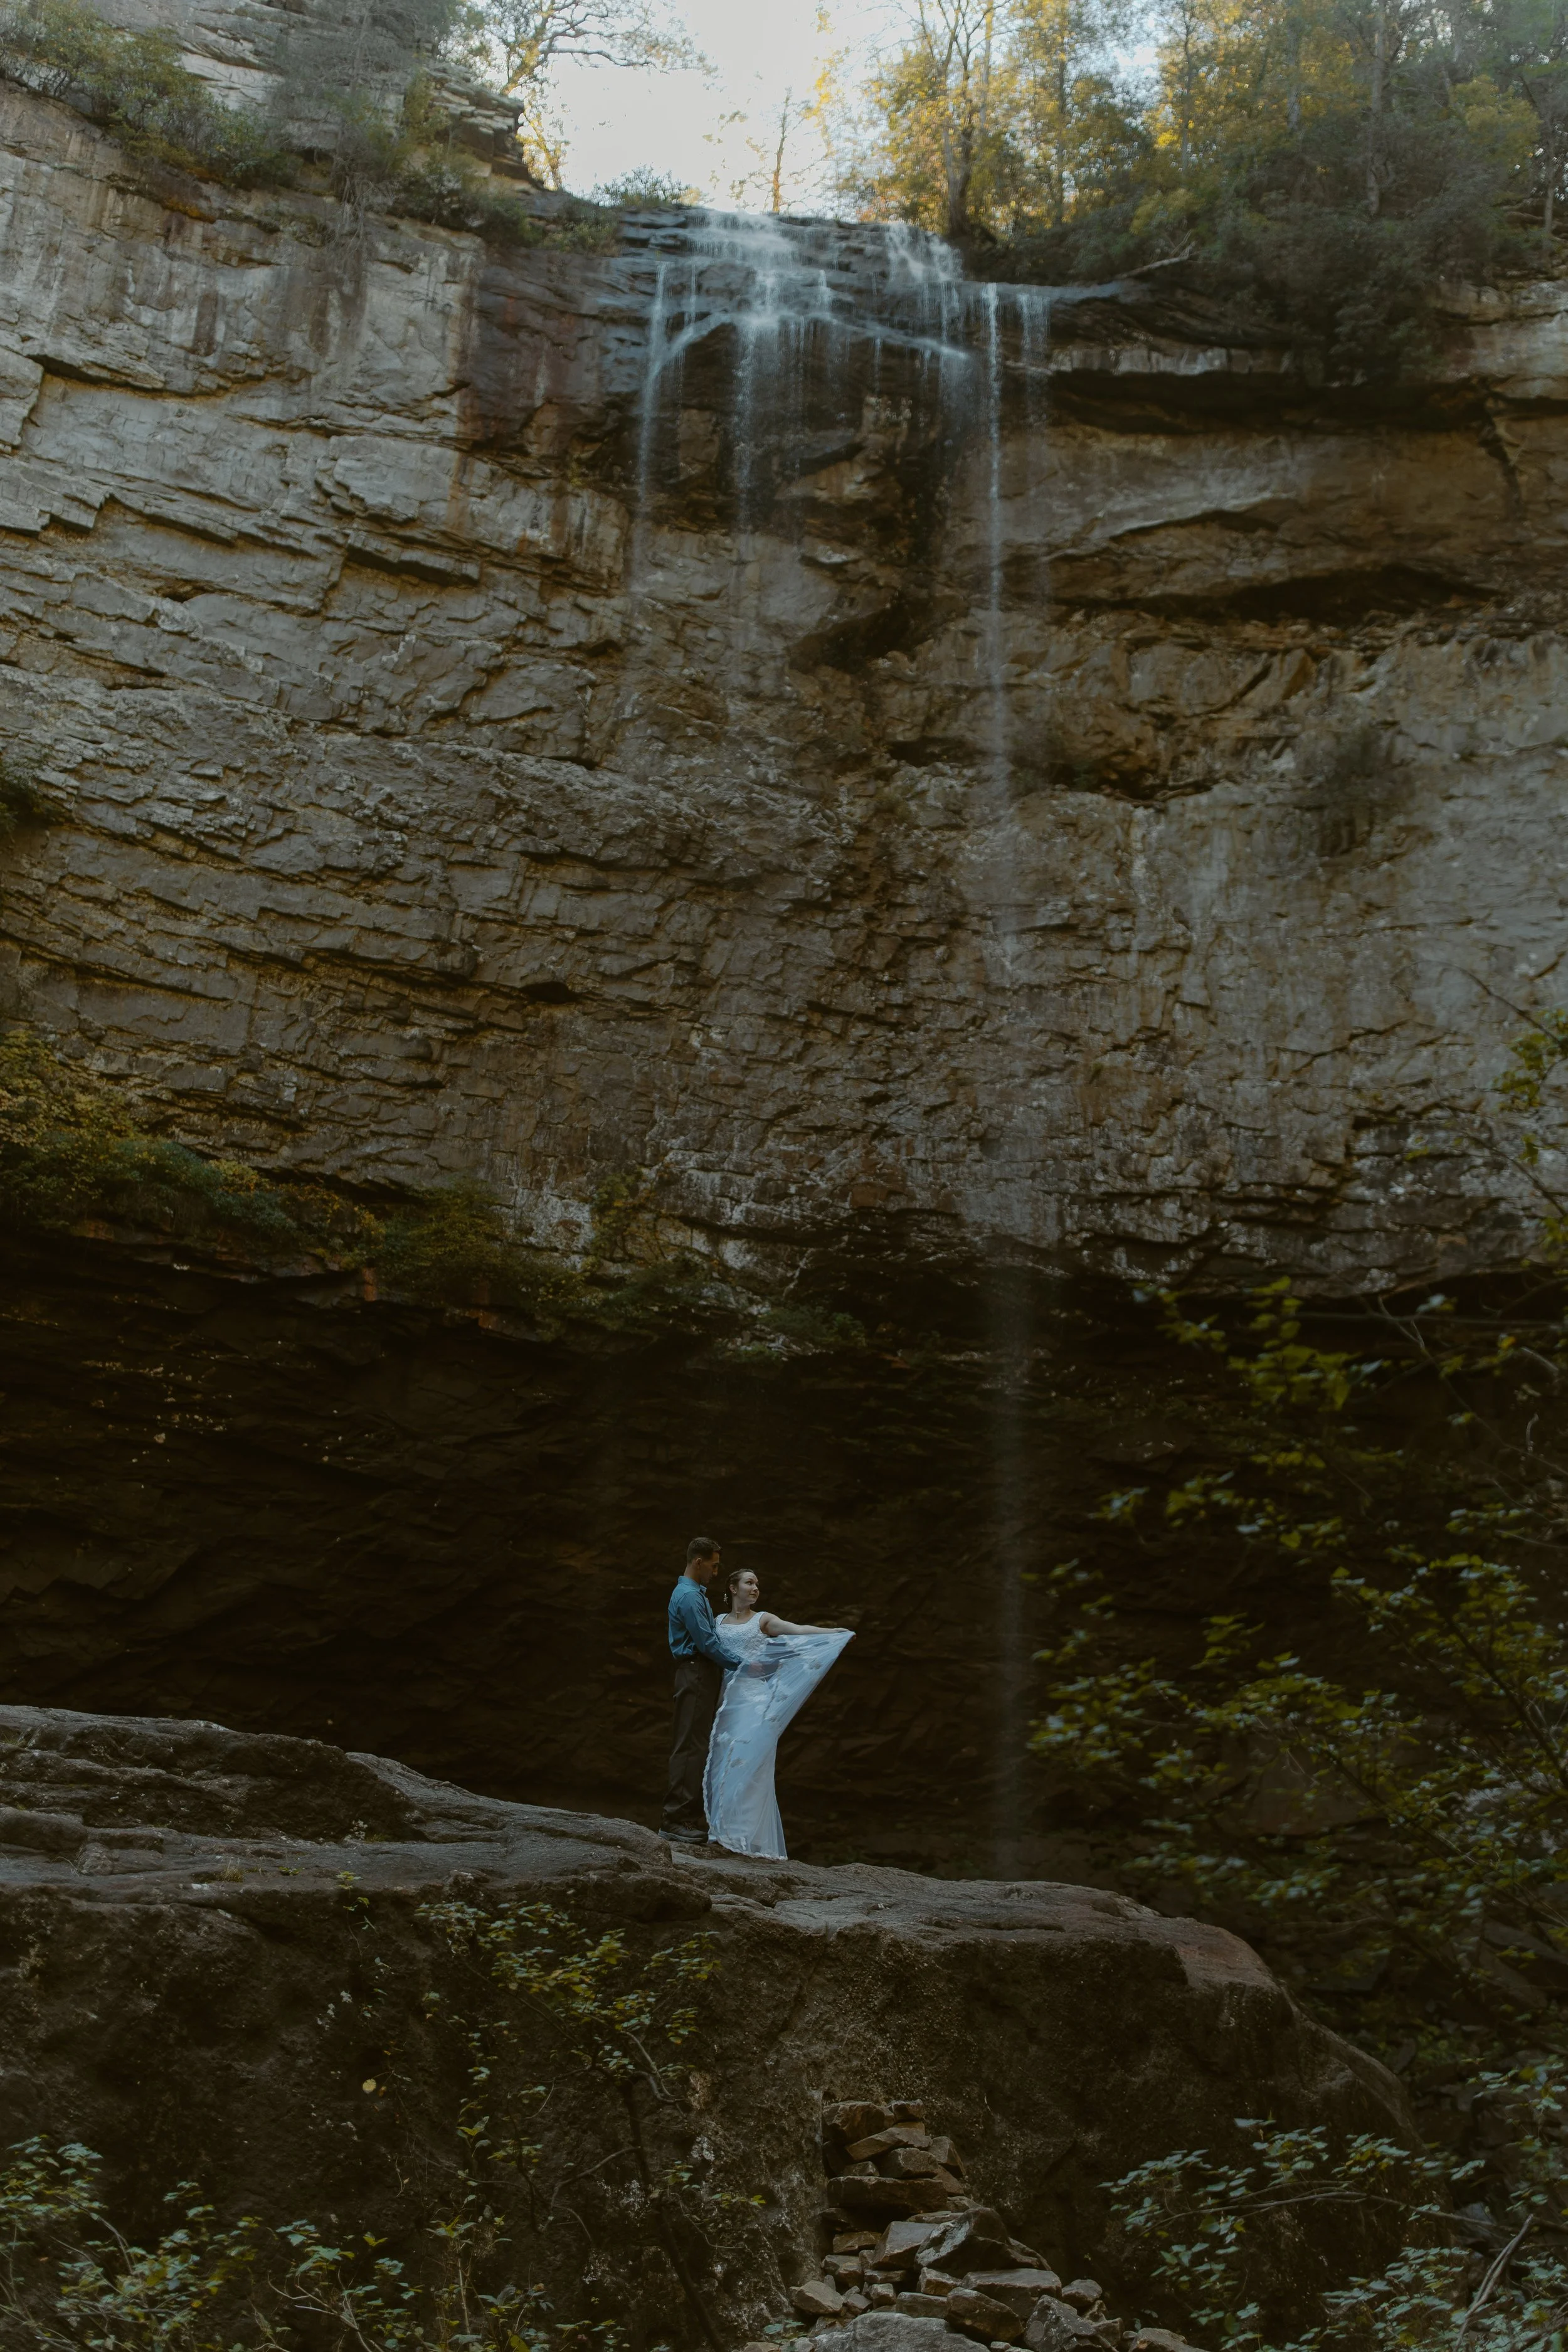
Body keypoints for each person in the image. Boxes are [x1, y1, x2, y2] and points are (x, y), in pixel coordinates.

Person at [702, 1567, 853, 1861]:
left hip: (755, 1702)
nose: (755, 1588)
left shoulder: (764, 1620)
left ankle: (744, 1836)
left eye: (757, 1583)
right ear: (733, 1589)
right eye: (749, 1582)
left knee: (750, 1765)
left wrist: (834, 1632)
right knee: (724, 1763)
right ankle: (721, 1830)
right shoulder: (718, 1621)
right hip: (725, 1704)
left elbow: (798, 1630)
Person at [661, 1536, 746, 1846]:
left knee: (695, 1745)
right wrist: (743, 1665)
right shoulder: (688, 1597)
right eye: (714, 1565)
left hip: (699, 1673)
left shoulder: (694, 1595)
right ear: (698, 1562)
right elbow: (707, 1643)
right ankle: (674, 1820)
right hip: (696, 1672)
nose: (716, 1571)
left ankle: (685, 1817)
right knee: (690, 1746)